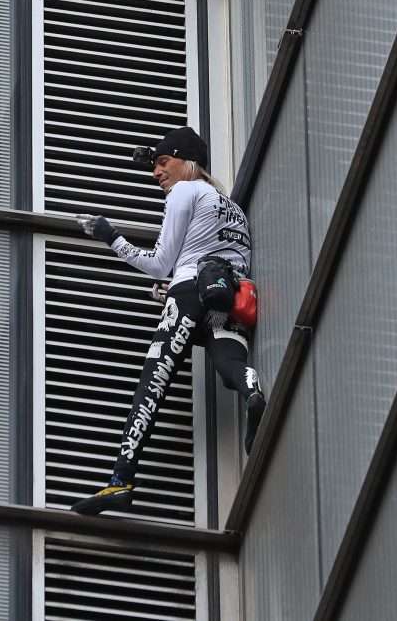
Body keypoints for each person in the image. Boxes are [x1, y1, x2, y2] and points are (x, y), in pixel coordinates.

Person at [70, 127, 266, 516]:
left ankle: (120, 481)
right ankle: (252, 390)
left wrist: (112, 237)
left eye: (164, 163)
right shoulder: (232, 207)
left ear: (187, 162)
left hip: (191, 290)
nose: (157, 173)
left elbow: (160, 262)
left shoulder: (185, 192)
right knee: (231, 365)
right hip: (231, 294)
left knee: (152, 382)